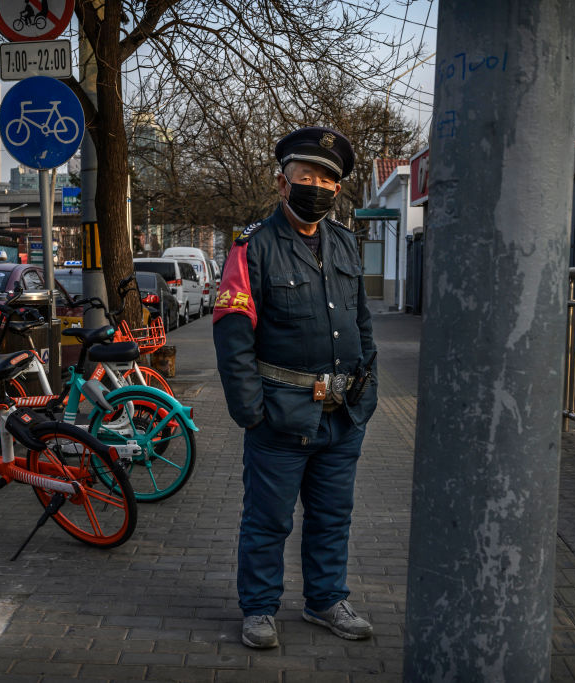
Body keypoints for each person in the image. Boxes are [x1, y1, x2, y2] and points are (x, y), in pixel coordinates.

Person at [212, 126, 378, 649]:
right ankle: (259, 608)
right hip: (279, 414)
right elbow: (232, 333)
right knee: (268, 520)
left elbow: (362, 323)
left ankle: (326, 600)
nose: (316, 186)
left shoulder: (346, 244)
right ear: (283, 183)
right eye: (304, 176)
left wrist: (366, 394)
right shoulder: (253, 247)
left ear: (336, 189)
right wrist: (250, 410)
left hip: (342, 416)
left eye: (326, 180)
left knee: (333, 517)